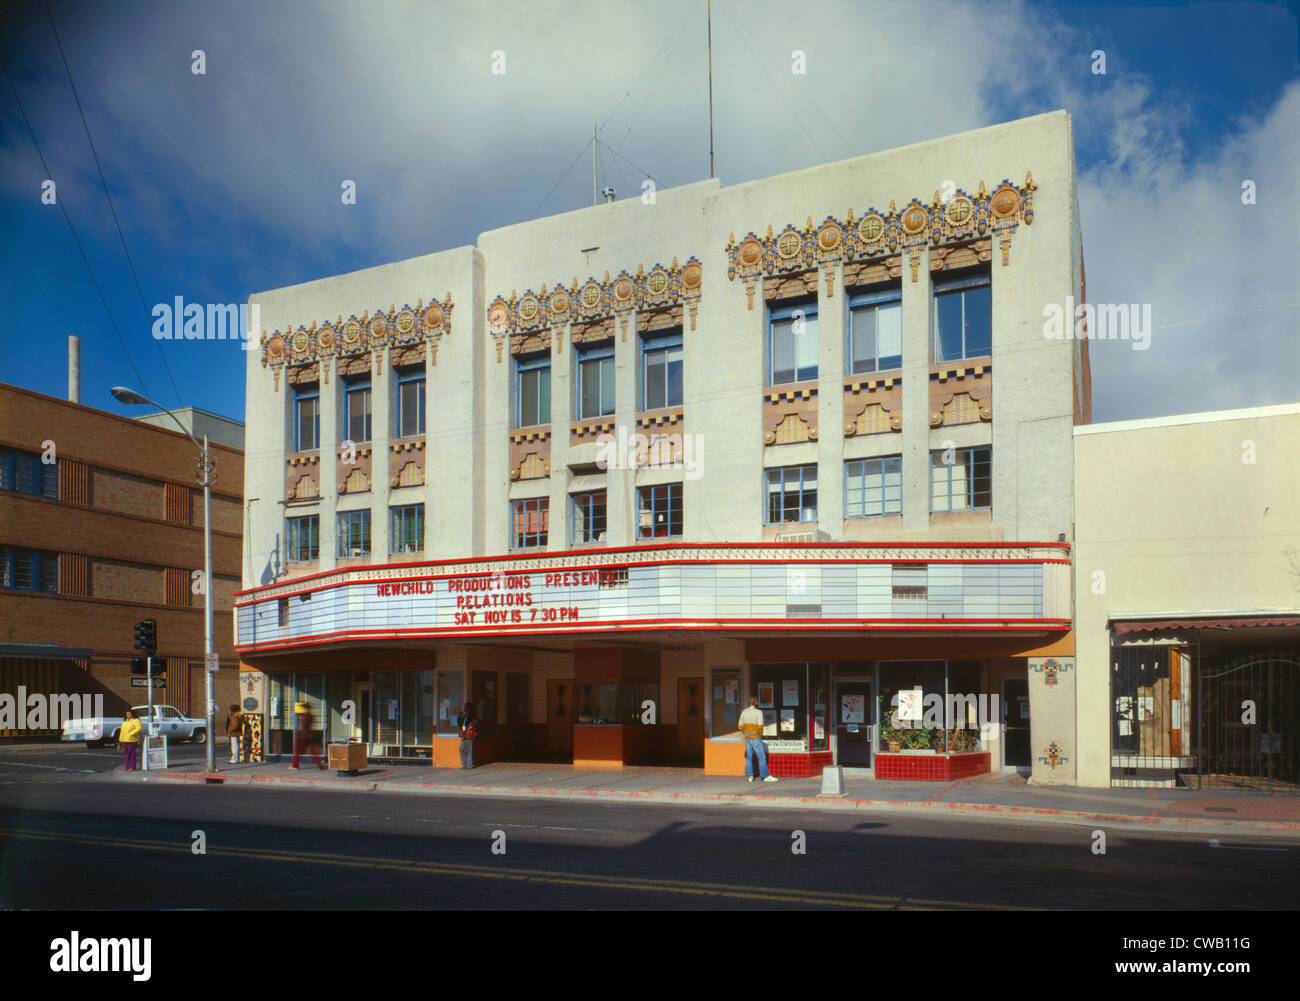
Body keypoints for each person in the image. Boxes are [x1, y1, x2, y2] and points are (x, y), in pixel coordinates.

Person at [738, 696, 777, 783]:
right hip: (755, 737)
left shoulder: (744, 712)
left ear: (749, 703)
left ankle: (750, 776)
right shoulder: (758, 712)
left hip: (747, 738)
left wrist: (746, 731)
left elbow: (740, 725)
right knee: (761, 757)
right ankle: (765, 776)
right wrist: (760, 734)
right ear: (756, 703)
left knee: (749, 757)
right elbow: (760, 725)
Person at [290, 701, 324, 770]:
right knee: (314, 751)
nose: (302, 709)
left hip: (303, 737)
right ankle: (319, 764)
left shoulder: (305, 716)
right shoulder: (311, 716)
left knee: (298, 752)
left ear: (306, 708)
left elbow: (304, 727)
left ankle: (295, 766)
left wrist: (300, 735)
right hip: (309, 736)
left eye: (303, 708)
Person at [457, 702, 479, 769]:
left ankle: (469, 765)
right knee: (461, 749)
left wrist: (471, 725)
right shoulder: (465, 715)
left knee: (469, 751)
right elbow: (460, 724)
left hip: (469, 736)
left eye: (466, 707)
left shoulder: (473, 715)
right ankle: (464, 764)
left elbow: (475, 723)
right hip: (464, 735)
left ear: (469, 708)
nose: (464, 709)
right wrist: (459, 717)